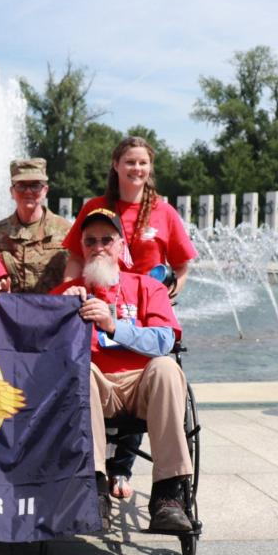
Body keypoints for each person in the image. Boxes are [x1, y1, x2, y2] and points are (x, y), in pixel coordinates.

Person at [61, 136, 197, 500]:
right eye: (129, 162)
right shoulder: (97, 208)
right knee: (82, 369)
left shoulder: (164, 212)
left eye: (143, 162)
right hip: (94, 296)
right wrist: (66, 297)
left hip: (143, 301)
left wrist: (166, 294)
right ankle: (94, 480)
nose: (136, 169)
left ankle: (158, 487)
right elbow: (76, 255)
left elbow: (182, 266)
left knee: (160, 366)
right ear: (115, 165)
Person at [52, 207, 193, 532]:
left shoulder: (147, 287)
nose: (98, 247)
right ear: (82, 249)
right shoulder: (66, 292)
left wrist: (113, 326)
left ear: (121, 247)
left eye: (107, 239)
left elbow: (164, 340)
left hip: (141, 385)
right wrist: (59, 311)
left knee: (167, 369)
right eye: (90, 241)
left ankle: (168, 495)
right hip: (92, 385)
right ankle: (95, 488)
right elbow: (41, 350)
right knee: (78, 372)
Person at [0, 158, 71, 293]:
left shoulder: (66, 231)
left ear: (45, 190)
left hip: (53, 312)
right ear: (12, 192)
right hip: (10, 312)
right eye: (21, 185)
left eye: (35, 185)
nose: (28, 191)